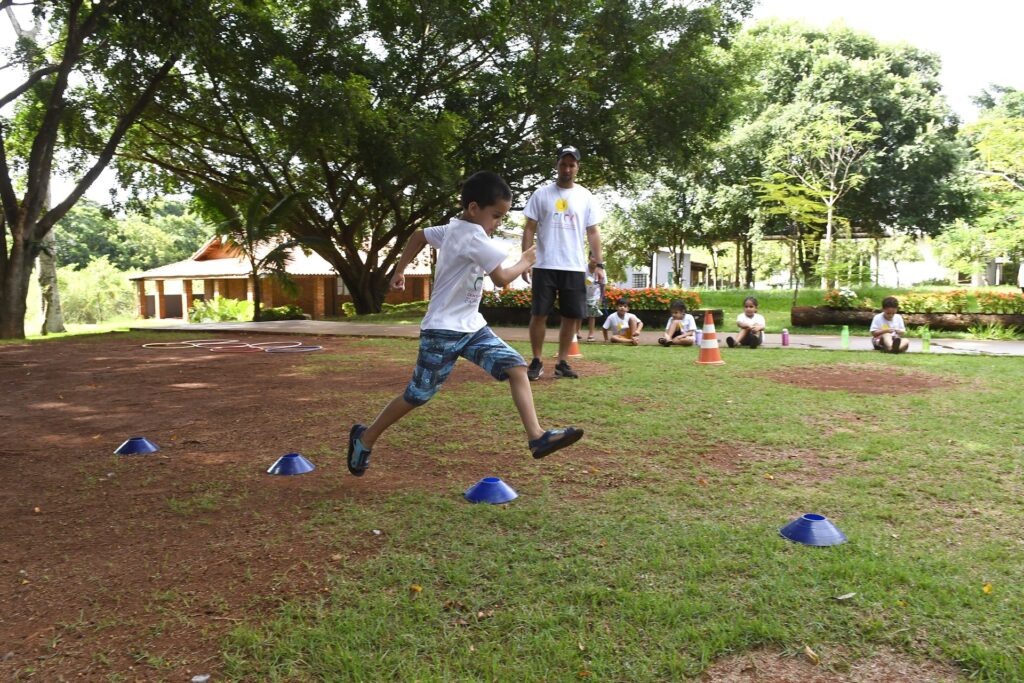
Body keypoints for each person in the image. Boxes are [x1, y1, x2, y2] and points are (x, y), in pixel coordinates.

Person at [346, 171, 583, 477]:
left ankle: (536, 437)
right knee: (417, 395)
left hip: (472, 326)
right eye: (496, 216)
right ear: (474, 208)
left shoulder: (454, 227)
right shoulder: (472, 236)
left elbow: (419, 235)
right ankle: (364, 438)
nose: (497, 223)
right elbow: (501, 279)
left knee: (516, 367)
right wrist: (527, 260)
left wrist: (400, 270)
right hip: (442, 330)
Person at [522, 145, 605, 379]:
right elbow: (529, 227)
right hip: (544, 264)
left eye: (571, 164)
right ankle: (537, 360)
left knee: (571, 316)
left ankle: (561, 362)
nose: (567, 168)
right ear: (556, 165)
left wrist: (598, 264)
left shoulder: (585, 196)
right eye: (563, 164)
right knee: (539, 314)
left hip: (573, 266)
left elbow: (593, 232)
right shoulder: (541, 194)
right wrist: (525, 260)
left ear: (577, 167)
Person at [580, 258, 605, 342]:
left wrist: (601, 297)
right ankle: (577, 333)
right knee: (580, 314)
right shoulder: (583, 268)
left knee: (592, 314)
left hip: (594, 295)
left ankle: (591, 335)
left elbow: (603, 285)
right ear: (589, 258)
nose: (595, 260)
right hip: (582, 293)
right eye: (593, 257)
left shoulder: (601, 270)